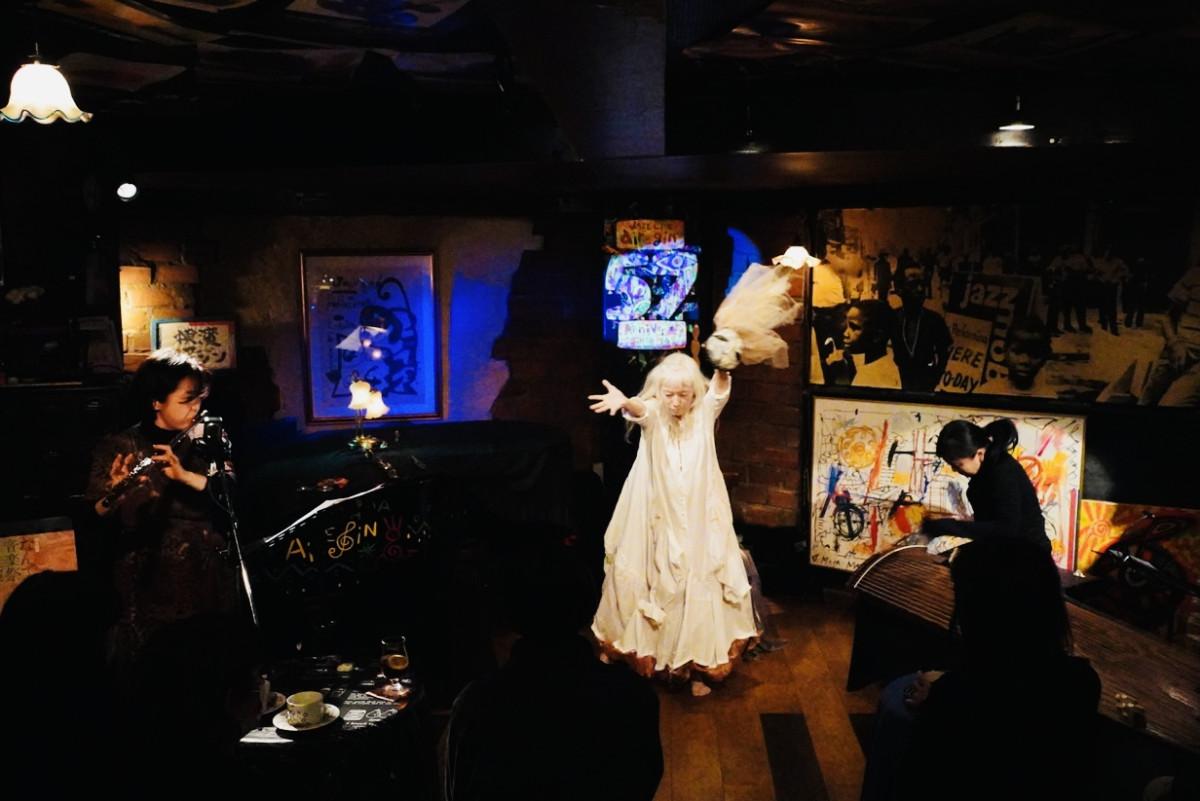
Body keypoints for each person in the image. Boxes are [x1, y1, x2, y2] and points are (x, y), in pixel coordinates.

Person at [862, 538, 1101, 801]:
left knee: (896, 707)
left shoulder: (958, 697)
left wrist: (938, 697)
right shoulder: (1083, 682)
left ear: (975, 612)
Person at [588, 352, 758, 697]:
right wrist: (626, 402)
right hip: (658, 514)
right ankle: (647, 652)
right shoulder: (656, 415)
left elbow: (719, 391)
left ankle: (694, 661)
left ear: (694, 393)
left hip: (698, 518)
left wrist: (723, 366)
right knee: (654, 573)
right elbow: (641, 410)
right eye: (669, 395)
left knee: (698, 577)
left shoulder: (704, 414)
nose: (676, 402)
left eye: (683, 395)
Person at [444, 540, 662, 801]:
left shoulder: (476, 705)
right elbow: (643, 782)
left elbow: (460, 790)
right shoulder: (633, 697)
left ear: (508, 612)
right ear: (589, 604)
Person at [85, 348, 239, 664]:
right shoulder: (121, 445)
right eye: (187, 400)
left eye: (199, 399)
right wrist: (119, 493)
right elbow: (94, 512)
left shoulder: (208, 438)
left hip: (207, 570)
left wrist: (184, 475)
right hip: (148, 574)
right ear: (156, 401)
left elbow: (230, 490)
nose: (196, 408)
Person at [924, 418, 1047, 551]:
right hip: (1005, 550)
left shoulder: (1003, 471)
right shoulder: (985, 472)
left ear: (980, 454)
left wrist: (947, 526)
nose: (955, 470)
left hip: (1029, 554)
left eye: (959, 464)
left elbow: (1006, 529)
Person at [1138, 259, 1200, 407]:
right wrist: (1175, 344)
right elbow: (1167, 318)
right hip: (1175, 353)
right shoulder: (1194, 275)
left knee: (1170, 404)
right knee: (1146, 401)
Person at [889, 263, 952, 392]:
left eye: (923, 284)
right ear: (900, 289)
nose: (920, 289)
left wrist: (935, 378)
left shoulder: (935, 320)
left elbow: (944, 352)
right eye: (913, 284)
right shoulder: (892, 318)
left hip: (926, 386)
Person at [825, 299, 901, 388]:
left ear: (877, 336)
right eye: (847, 326)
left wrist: (841, 377)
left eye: (854, 327)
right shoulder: (884, 364)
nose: (845, 333)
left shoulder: (873, 377)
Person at [1001, 316, 1055, 396]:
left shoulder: (1049, 396)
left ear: (1045, 357)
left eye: (1035, 354)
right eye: (1017, 352)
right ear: (1005, 350)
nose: (1025, 361)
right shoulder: (989, 390)